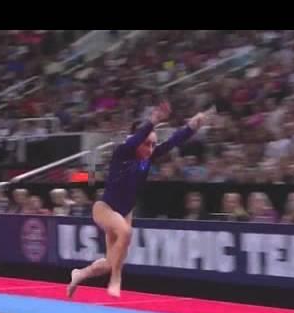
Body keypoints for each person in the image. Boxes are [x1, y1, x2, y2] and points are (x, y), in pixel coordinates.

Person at [67, 102, 212, 298]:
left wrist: (192, 126)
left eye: (153, 144)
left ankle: (79, 274)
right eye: (146, 144)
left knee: (110, 262)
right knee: (126, 232)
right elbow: (135, 139)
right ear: (135, 140)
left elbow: (173, 142)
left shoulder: (147, 158)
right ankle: (116, 280)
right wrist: (152, 121)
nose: (151, 149)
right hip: (105, 208)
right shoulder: (122, 153)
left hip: (125, 212)